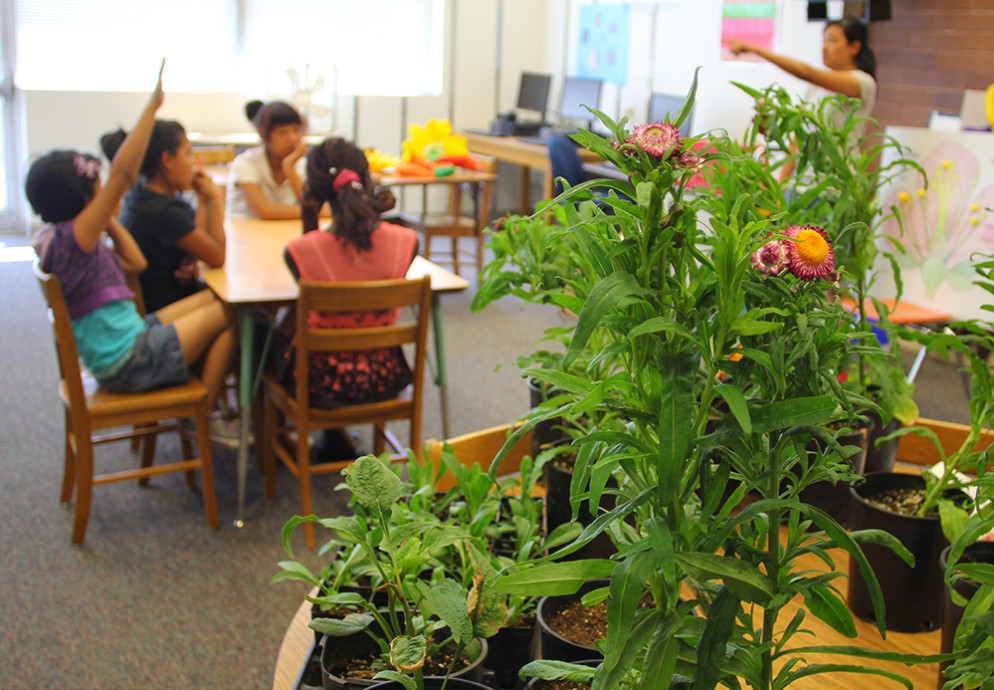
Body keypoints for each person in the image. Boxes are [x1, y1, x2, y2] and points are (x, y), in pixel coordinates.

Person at [28, 63, 240, 445]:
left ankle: (208, 408)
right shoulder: (73, 240)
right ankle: (203, 414)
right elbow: (124, 174)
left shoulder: (58, 238)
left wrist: (107, 219)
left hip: (130, 339)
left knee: (216, 297)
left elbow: (136, 263)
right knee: (233, 311)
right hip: (129, 359)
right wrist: (151, 108)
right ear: (84, 199)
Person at [275, 138, 417, 457]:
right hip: (386, 377)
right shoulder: (408, 241)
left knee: (263, 337)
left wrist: (308, 213)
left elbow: (310, 272)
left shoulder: (298, 252)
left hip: (324, 386)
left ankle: (276, 445)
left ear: (313, 189)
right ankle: (335, 439)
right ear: (368, 180)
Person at [101, 119, 227, 313]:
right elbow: (217, 256)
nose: (193, 162)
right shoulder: (162, 211)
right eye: (188, 153)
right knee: (234, 311)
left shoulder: (140, 194)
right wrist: (214, 200)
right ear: (167, 160)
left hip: (168, 300)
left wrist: (203, 197)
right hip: (167, 309)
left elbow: (198, 239)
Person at [730, 16, 877, 173]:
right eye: (824, 41)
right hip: (801, 186)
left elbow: (806, 72)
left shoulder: (863, 82)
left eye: (832, 40)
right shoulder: (816, 87)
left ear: (854, 47)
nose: (824, 47)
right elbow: (798, 138)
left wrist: (756, 49)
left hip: (835, 188)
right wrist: (780, 186)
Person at [226, 100, 309, 219]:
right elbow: (266, 211)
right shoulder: (245, 163)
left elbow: (313, 205)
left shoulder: (301, 165)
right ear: (264, 135)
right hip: (245, 233)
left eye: (296, 130)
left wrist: (289, 168)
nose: (292, 138)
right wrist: (310, 212)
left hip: (283, 233)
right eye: (282, 132)